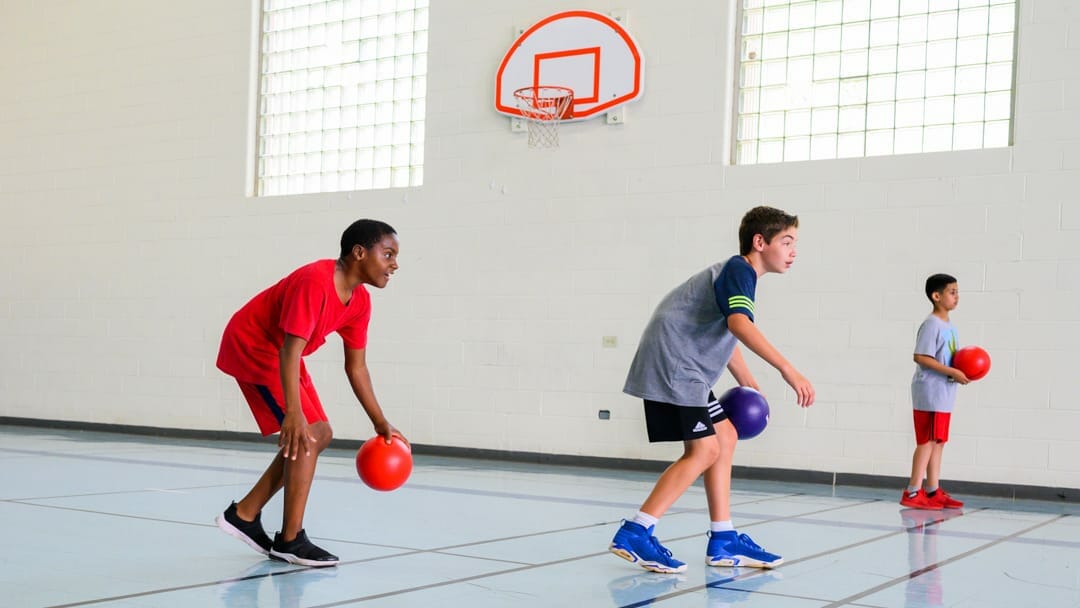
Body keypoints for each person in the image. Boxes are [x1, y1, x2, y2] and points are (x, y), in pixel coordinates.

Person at [609, 206, 815, 574]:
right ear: (759, 241)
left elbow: (728, 331)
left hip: (683, 365)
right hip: (675, 364)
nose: (793, 250)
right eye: (786, 241)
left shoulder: (737, 275)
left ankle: (723, 538)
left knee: (726, 436)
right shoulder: (740, 270)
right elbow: (738, 323)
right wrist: (787, 369)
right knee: (704, 450)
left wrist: (748, 383)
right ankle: (636, 531)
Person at [214, 219, 406, 567]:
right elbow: (289, 350)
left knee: (319, 433)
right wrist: (292, 412)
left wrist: (381, 422)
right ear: (359, 253)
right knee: (308, 433)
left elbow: (356, 367)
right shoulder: (315, 282)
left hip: (283, 353)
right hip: (254, 346)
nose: (394, 264)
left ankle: (244, 514)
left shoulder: (360, 301)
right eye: (388, 254)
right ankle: (289, 539)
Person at [901, 274, 967, 511]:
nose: (956, 296)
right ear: (936, 296)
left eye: (957, 291)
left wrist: (959, 371)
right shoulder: (932, 324)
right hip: (929, 392)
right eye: (952, 292)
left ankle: (932, 490)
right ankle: (912, 491)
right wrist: (952, 370)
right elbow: (920, 357)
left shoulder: (949, 327)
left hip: (944, 393)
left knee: (938, 442)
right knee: (927, 442)